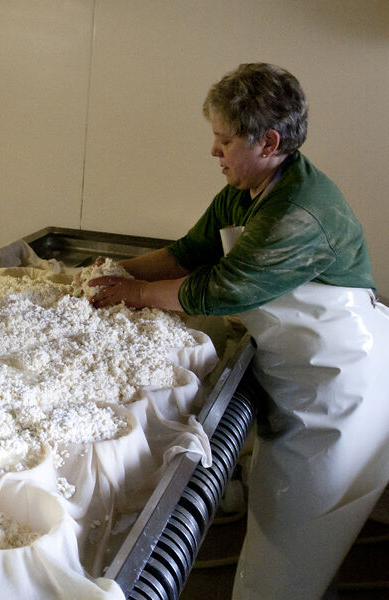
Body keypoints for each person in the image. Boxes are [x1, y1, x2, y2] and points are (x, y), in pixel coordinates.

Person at [90, 63, 389, 600]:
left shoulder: (299, 209)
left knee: (293, 553)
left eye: (224, 139)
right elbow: (190, 253)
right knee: (289, 540)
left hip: (341, 392)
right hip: (297, 380)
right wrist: (120, 272)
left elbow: (221, 287)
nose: (214, 151)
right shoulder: (244, 190)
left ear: (269, 141)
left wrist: (130, 295)